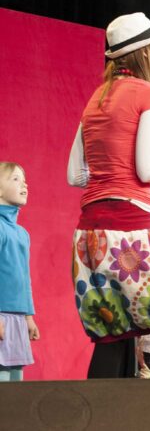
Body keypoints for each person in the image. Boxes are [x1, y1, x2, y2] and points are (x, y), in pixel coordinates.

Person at [67, 13, 150, 379]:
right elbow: (146, 170)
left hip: (89, 238)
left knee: (112, 336)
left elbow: (75, 174)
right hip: (132, 230)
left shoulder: (96, 99)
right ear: (142, 51)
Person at [0, 162, 40, 381]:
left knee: (16, 385)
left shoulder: (21, 233)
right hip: (1, 316)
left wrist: (28, 316)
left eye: (24, 180)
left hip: (17, 318)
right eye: (15, 179)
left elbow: (24, 278)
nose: (24, 184)